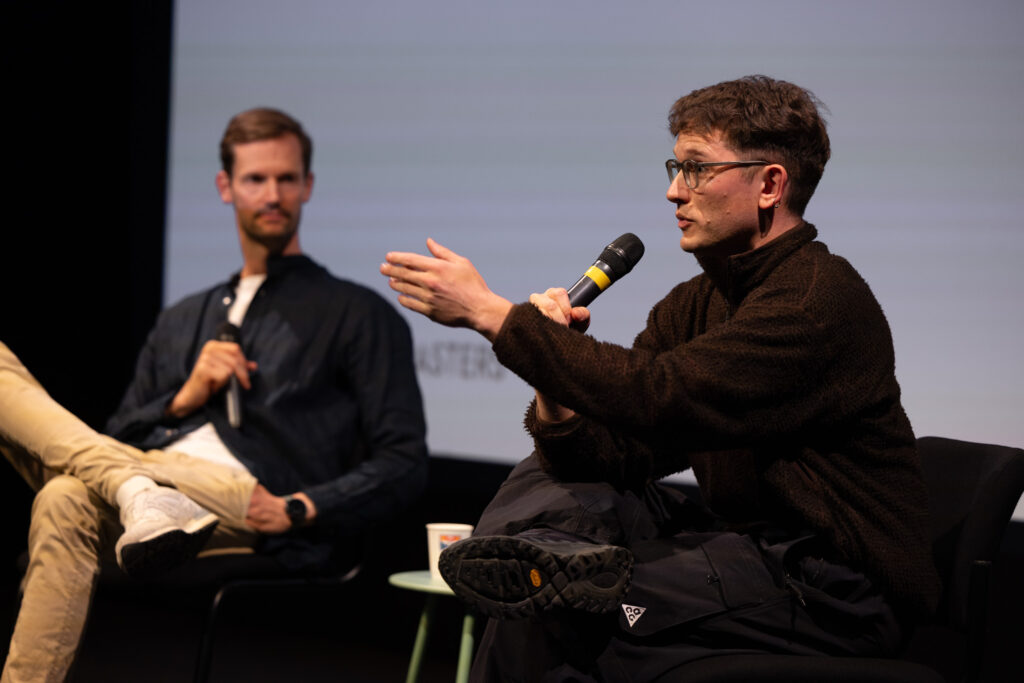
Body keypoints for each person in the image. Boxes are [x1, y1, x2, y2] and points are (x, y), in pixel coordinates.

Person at [381, 75, 940, 681]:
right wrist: (554, 372)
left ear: (770, 184)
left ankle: (552, 566)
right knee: (549, 514)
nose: (675, 191)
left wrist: (497, 317)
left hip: (832, 587)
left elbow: (665, 395)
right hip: (742, 551)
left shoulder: (816, 299)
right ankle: (532, 557)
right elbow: (618, 450)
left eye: (697, 169)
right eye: (675, 167)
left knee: (574, 609)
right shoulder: (695, 301)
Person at [1, 107, 427, 682]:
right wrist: (182, 398)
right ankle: (136, 493)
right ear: (227, 187)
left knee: (76, 472)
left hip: (250, 503)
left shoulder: (358, 314)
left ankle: (130, 485)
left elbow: (403, 460)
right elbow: (117, 430)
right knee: (60, 499)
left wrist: (301, 507)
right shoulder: (182, 319)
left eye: (286, 179)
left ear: (308, 186)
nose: (272, 194)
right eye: (256, 179)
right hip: (153, 497)